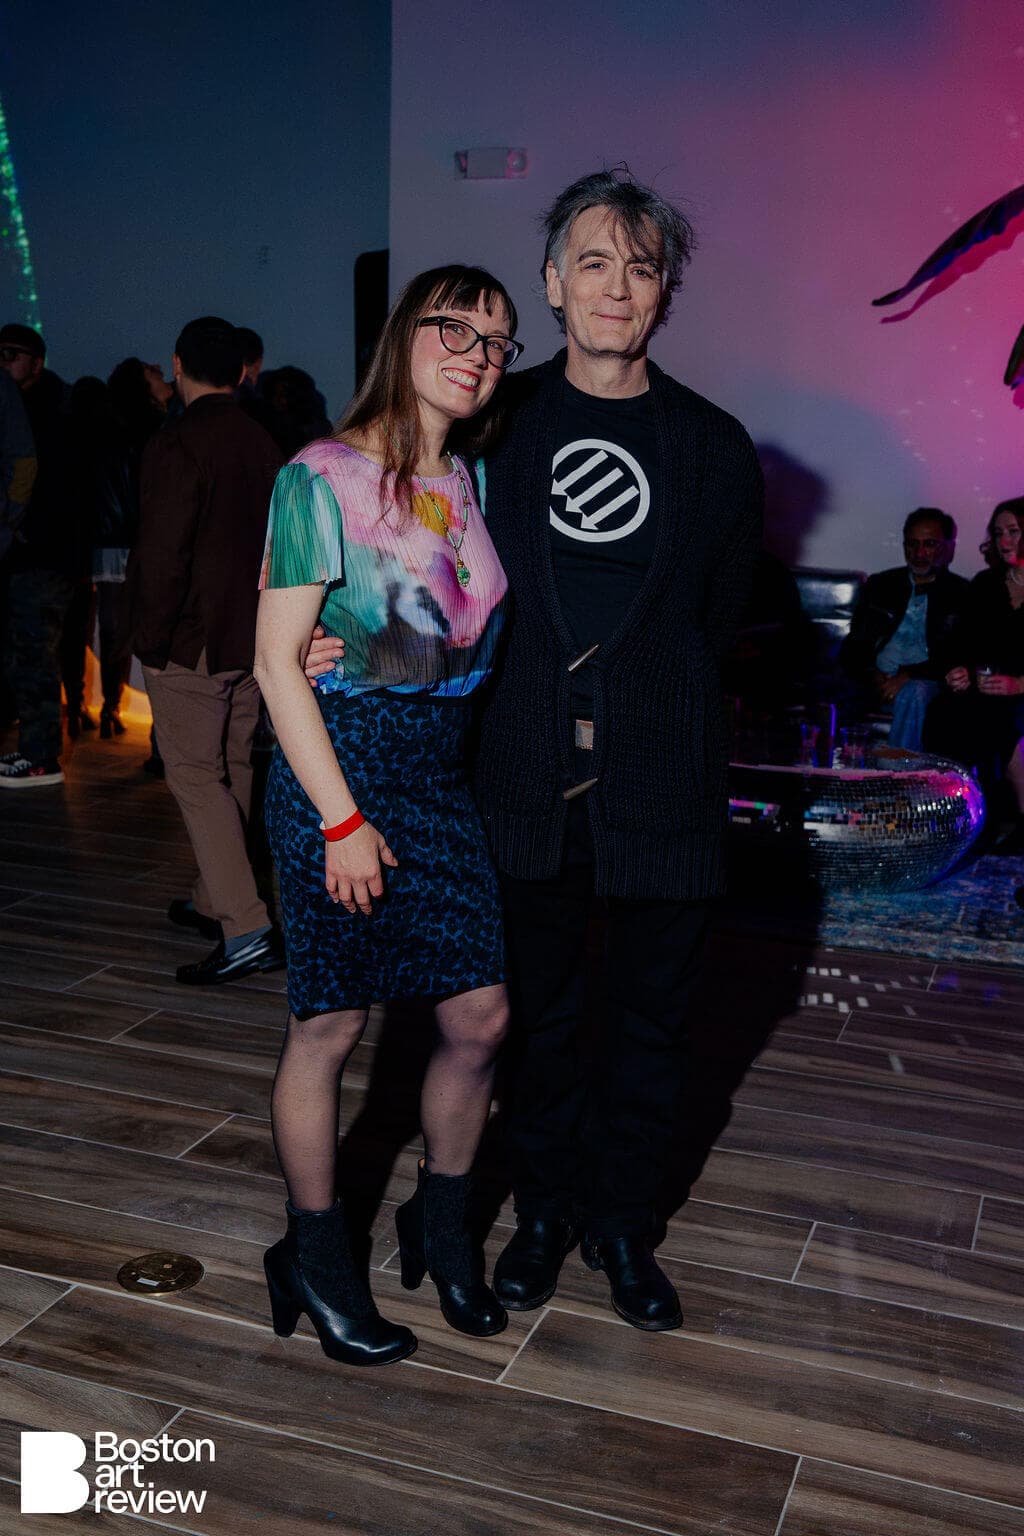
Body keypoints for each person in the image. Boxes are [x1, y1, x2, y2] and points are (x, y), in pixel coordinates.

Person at [306, 169, 763, 1333]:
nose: (616, 287)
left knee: (651, 1030)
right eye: (593, 263)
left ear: (665, 293)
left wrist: (646, 697)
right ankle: (545, 1211)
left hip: (661, 783)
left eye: (641, 268)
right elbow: (400, 544)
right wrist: (336, 631)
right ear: (553, 284)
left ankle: (624, 1225)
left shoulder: (714, 448)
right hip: (517, 783)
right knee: (537, 1024)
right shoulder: (493, 425)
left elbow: (719, 621)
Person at [254, 265, 519, 1366]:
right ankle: (315, 1258)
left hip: (440, 777)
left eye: (496, 341)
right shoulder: (318, 477)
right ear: (403, 335)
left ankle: (440, 1225)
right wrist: (340, 822)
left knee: (480, 1018)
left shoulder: (470, 479)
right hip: (343, 766)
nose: (476, 354)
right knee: (330, 1025)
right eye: (454, 328)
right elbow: (278, 664)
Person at [122, 317, 285, 978]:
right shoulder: (262, 440)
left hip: (191, 636)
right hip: (250, 636)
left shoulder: (177, 442)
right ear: (242, 373)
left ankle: (245, 928)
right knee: (232, 767)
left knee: (194, 775)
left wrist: (150, 639)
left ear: (177, 364)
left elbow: (161, 555)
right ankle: (217, 898)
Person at [0, 323, 79, 787]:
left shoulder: (57, 411)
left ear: (37, 361)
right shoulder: (30, 406)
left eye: (12, 354)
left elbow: (60, 487)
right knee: (25, 655)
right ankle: (35, 751)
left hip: (44, 556)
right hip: (31, 554)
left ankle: (40, 757)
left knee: (34, 655)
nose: (4, 362)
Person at [930, 497, 1024, 846]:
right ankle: (956, 815)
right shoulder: (986, 583)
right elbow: (958, 641)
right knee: (945, 709)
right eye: (998, 533)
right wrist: (957, 670)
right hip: (986, 687)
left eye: (1013, 531)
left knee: (1007, 719)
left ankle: (1002, 819)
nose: (1004, 541)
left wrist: (1019, 684)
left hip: (1019, 691)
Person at [840, 508, 968, 749]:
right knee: (828, 686)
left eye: (930, 544)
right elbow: (853, 646)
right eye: (912, 544)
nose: (919, 553)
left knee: (914, 692)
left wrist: (908, 675)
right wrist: (873, 674)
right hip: (876, 681)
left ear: (947, 548)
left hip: (925, 684)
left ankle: (899, 770)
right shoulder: (881, 585)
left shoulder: (962, 593)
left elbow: (958, 656)